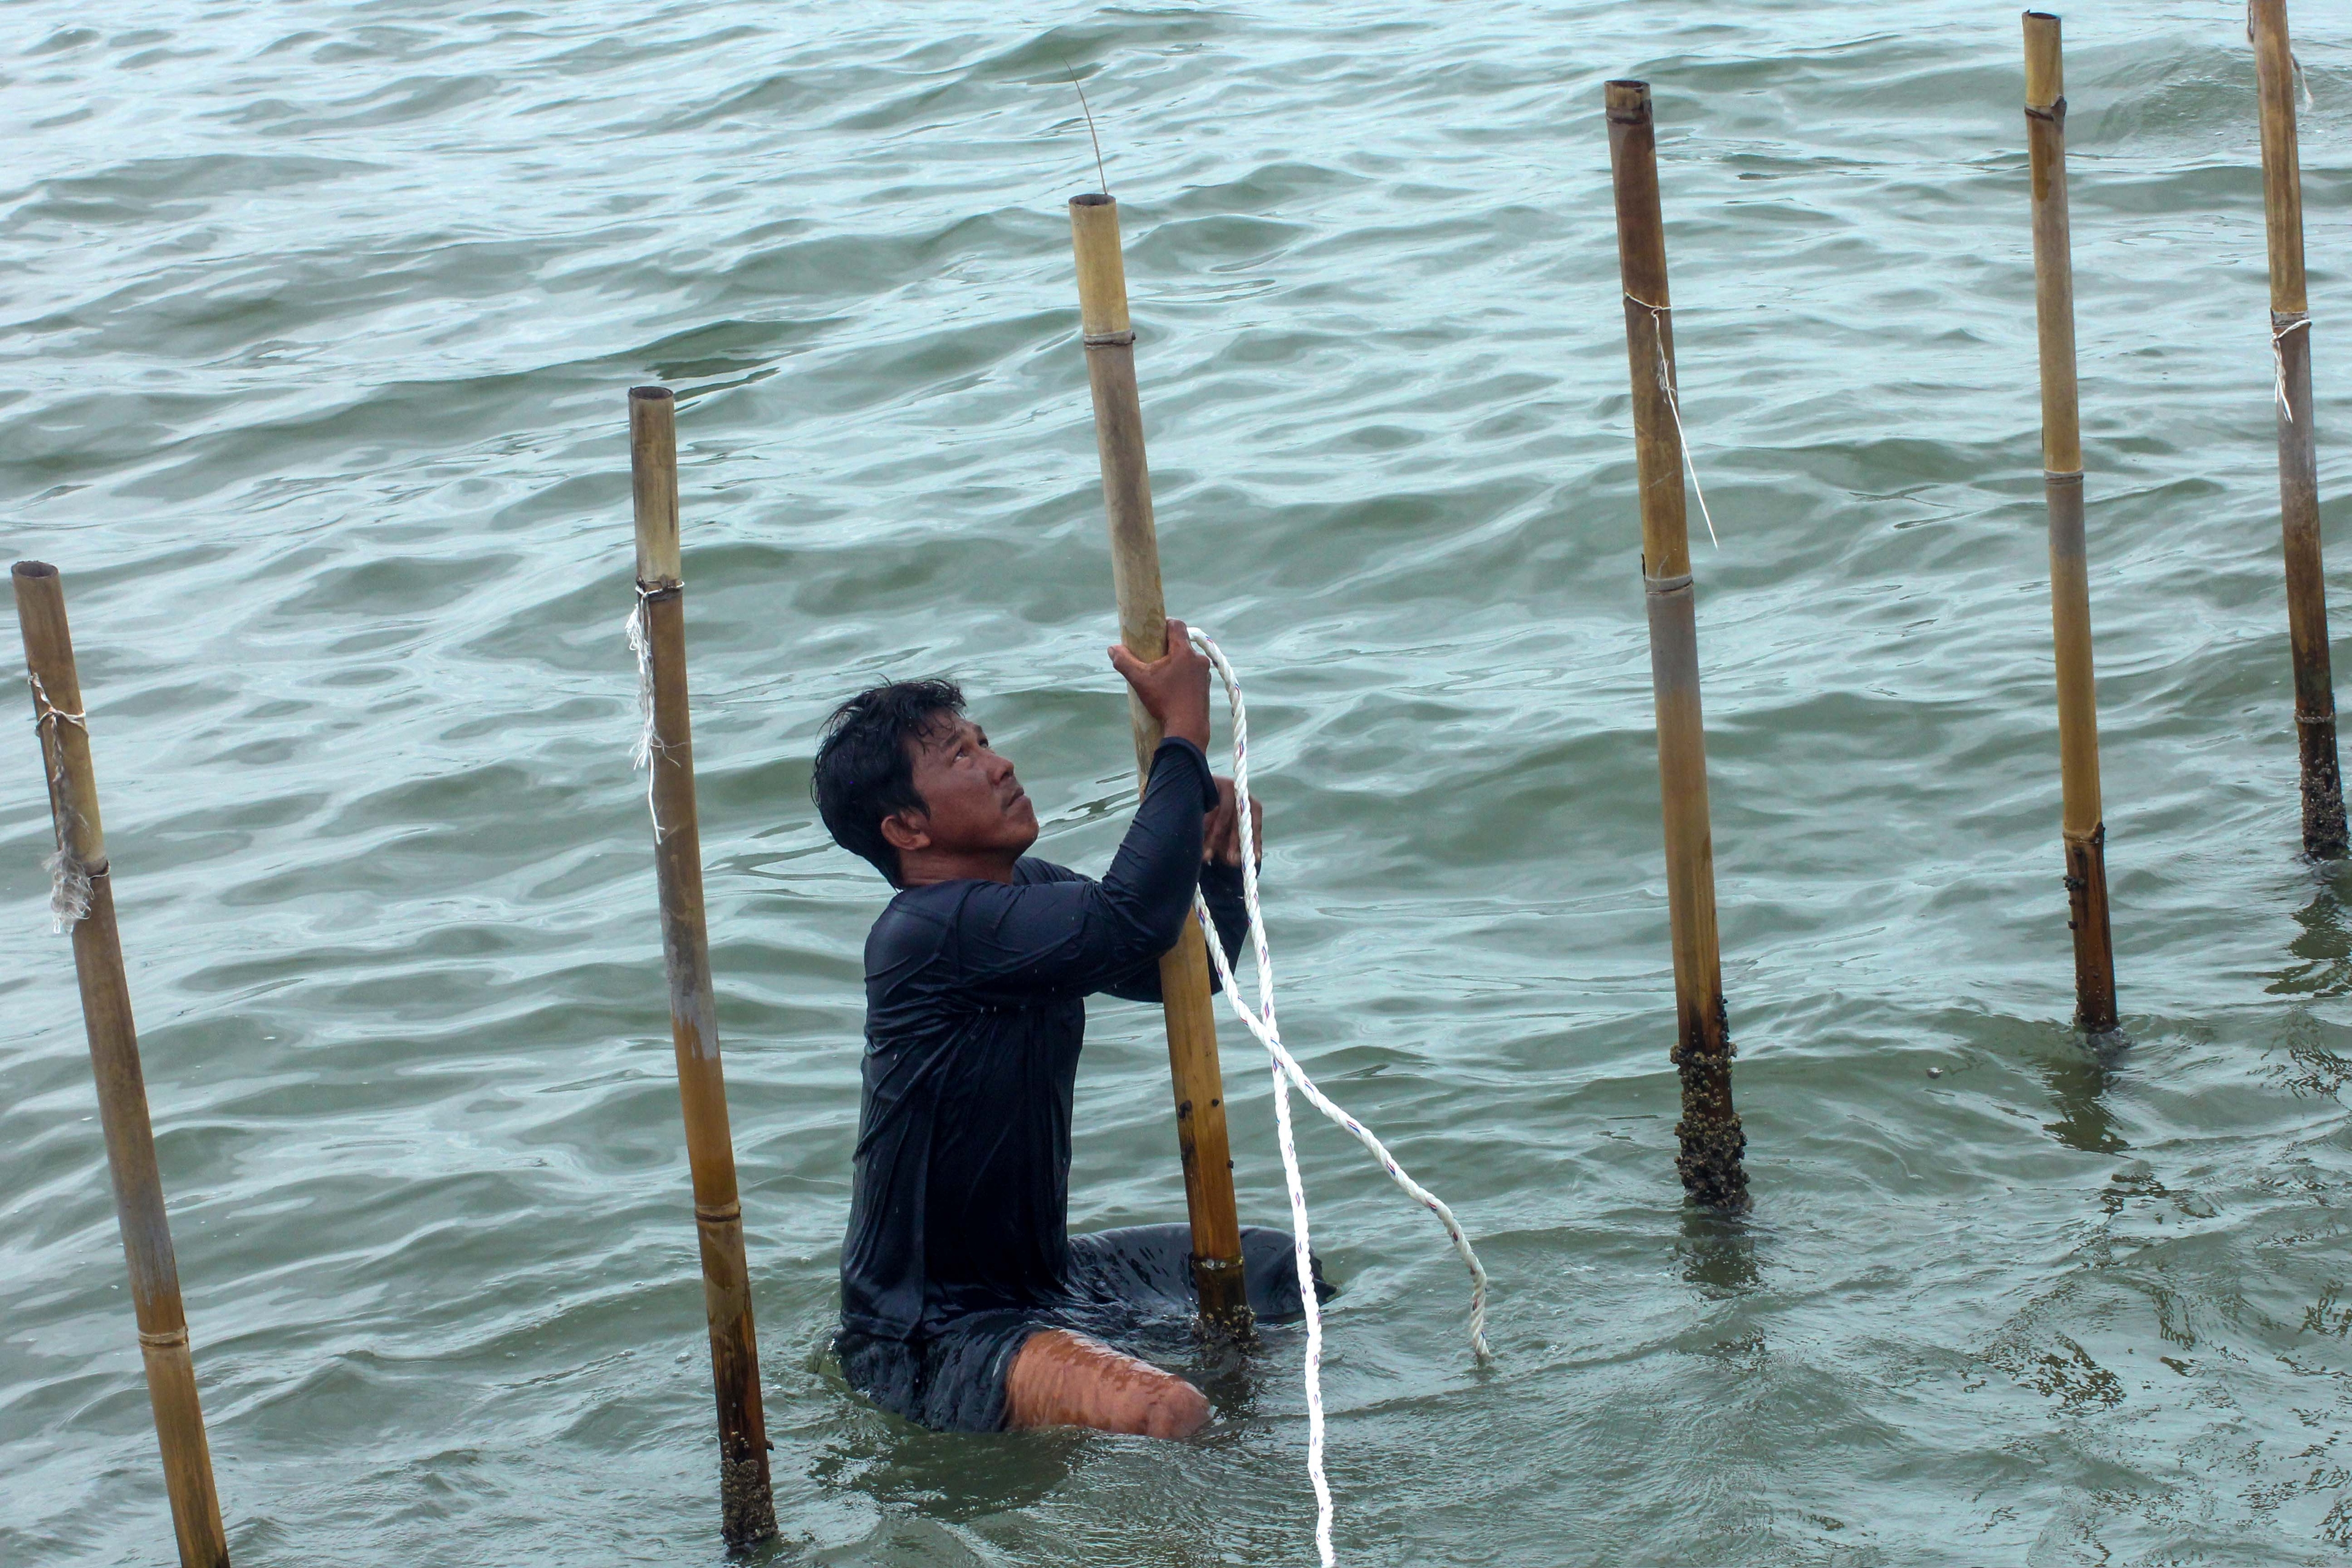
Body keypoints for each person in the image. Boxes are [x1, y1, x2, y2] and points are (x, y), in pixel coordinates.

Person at [811, 618, 1320, 1438]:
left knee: (1281, 1272)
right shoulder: (926, 932)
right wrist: (1182, 736)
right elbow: (1129, 921)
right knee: (1168, 1408)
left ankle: (1293, 1419)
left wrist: (1224, 873)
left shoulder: (1023, 893)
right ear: (907, 829)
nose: (1000, 763)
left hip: (1044, 1282)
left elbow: (1176, 976)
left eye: (984, 741)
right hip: (928, 1333)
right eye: (962, 758)